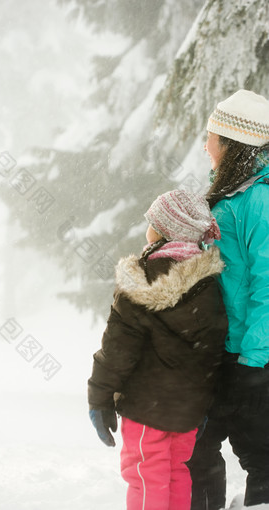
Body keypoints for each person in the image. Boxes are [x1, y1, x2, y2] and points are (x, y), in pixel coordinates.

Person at [88, 189, 228, 510]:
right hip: (188, 410)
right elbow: (211, 352)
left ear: (165, 231)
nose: (147, 228)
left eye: (152, 222)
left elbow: (117, 351)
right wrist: (204, 404)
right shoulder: (209, 286)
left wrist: (100, 398)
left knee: (145, 474)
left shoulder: (140, 280)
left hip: (145, 409)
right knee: (177, 473)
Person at [188, 89, 269, 509]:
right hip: (222, 349)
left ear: (232, 144)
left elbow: (268, 283)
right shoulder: (228, 194)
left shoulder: (260, 199)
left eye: (211, 138)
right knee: (193, 448)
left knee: (261, 457)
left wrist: (255, 362)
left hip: (251, 357)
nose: (205, 147)